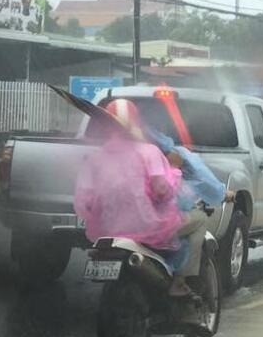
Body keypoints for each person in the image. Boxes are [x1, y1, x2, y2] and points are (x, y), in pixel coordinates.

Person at [74, 99, 206, 299]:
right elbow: (162, 190)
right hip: (148, 227)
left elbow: (85, 202)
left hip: (107, 232)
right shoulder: (149, 152)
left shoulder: (93, 159)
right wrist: (173, 178)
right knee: (201, 220)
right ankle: (179, 282)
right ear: (136, 122)